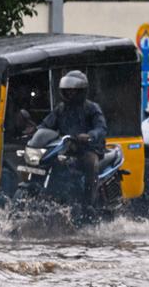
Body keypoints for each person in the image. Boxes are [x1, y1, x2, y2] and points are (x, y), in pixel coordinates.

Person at [37, 70, 107, 207]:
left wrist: (90, 135)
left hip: (88, 149)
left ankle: (89, 204)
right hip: (67, 149)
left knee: (90, 163)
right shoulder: (61, 109)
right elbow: (46, 124)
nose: (70, 93)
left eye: (73, 91)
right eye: (67, 90)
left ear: (82, 91)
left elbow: (101, 128)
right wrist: (35, 131)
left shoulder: (91, 108)